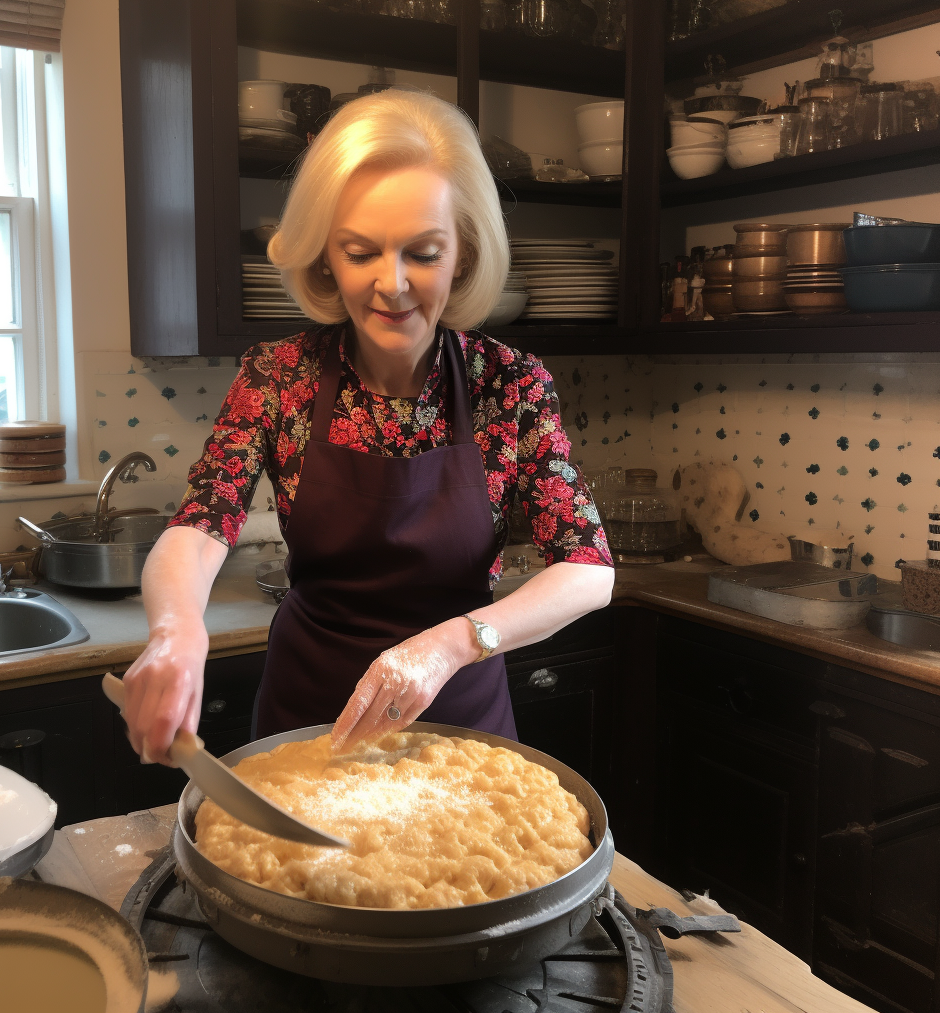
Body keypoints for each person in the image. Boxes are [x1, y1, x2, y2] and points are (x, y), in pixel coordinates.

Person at [121, 89, 615, 765]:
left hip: (460, 728)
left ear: (464, 253)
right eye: (361, 252)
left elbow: (589, 569)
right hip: (307, 725)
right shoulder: (280, 376)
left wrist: (449, 645)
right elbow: (203, 522)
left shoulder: (511, 385)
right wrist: (177, 632)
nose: (393, 284)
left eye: (424, 252)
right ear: (326, 255)